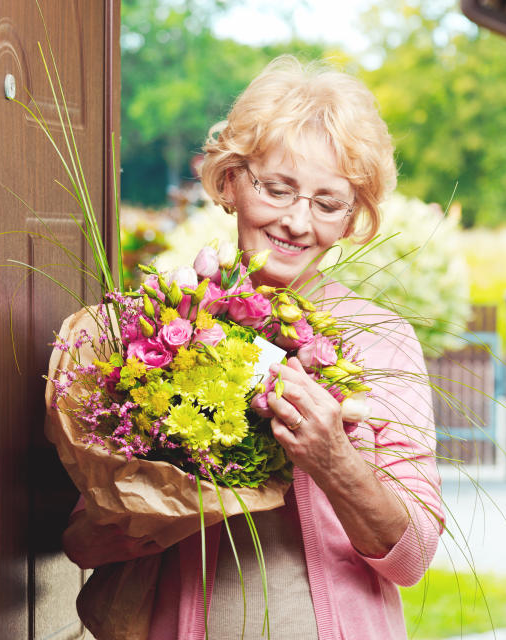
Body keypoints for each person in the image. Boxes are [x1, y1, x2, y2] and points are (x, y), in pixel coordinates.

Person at [62, 56, 444, 639]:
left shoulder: (381, 341)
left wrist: (333, 459)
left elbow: (412, 558)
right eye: (278, 188)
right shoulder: (155, 324)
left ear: (352, 218)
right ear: (232, 181)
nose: (296, 221)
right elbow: (81, 542)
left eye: (326, 202)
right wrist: (137, 509)